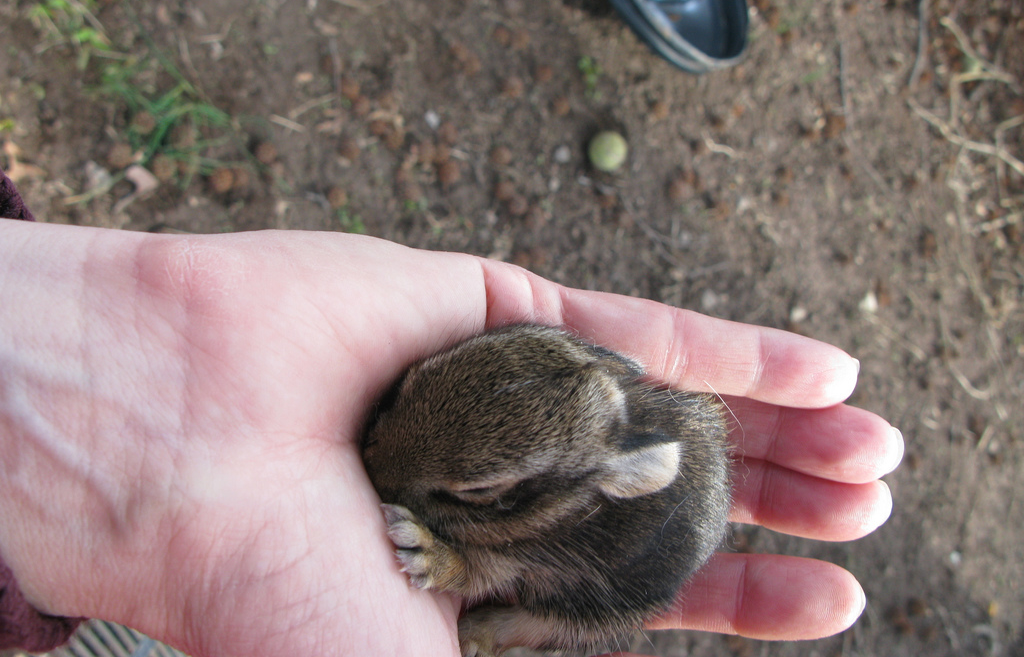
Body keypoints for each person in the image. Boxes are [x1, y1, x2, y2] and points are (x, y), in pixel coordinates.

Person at [0, 170, 902, 657]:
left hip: (585, 578)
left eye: (475, 483)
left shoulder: (592, 527)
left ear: (601, 484)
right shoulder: (560, 363)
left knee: (549, 612)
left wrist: (460, 557)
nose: (377, 462)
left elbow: (492, 557)